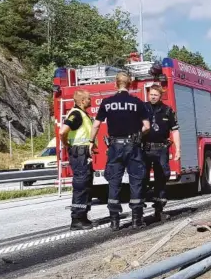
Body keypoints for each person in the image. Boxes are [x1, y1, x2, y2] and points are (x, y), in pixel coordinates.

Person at [90, 72, 151, 231]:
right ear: (130, 85)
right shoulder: (137, 103)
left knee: (114, 182)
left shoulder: (107, 102)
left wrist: (91, 142)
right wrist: (138, 134)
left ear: (115, 84)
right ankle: (137, 220)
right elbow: (147, 126)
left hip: (115, 147)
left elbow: (96, 125)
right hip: (133, 146)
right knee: (136, 181)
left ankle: (114, 222)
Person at [142, 84, 181, 222]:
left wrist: (178, 149)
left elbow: (175, 131)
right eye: (151, 94)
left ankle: (159, 209)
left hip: (161, 149)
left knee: (163, 176)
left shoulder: (167, 111)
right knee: (141, 178)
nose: (152, 97)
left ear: (160, 96)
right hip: (145, 149)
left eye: (155, 95)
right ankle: (139, 211)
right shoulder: (142, 108)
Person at [59, 89, 95, 231]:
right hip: (79, 152)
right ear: (81, 101)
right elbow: (63, 131)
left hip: (83, 153)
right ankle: (77, 219)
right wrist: (65, 143)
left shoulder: (83, 114)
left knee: (86, 185)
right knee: (81, 185)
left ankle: (83, 216)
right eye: (88, 99)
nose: (90, 101)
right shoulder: (76, 114)